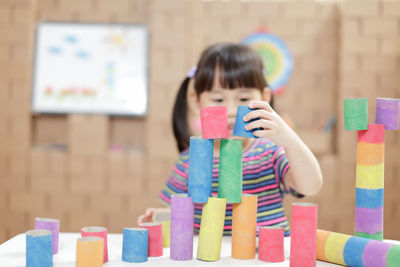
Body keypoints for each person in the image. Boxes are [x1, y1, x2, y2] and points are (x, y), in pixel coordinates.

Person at [137, 43, 323, 236]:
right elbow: (177, 208)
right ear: (196, 100)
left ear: (264, 97)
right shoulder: (191, 159)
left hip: (264, 257)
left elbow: (310, 186)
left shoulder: (270, 152)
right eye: (218, 100)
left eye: (243, 99)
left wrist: (290, 141)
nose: (232, 111)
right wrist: (162, 216)